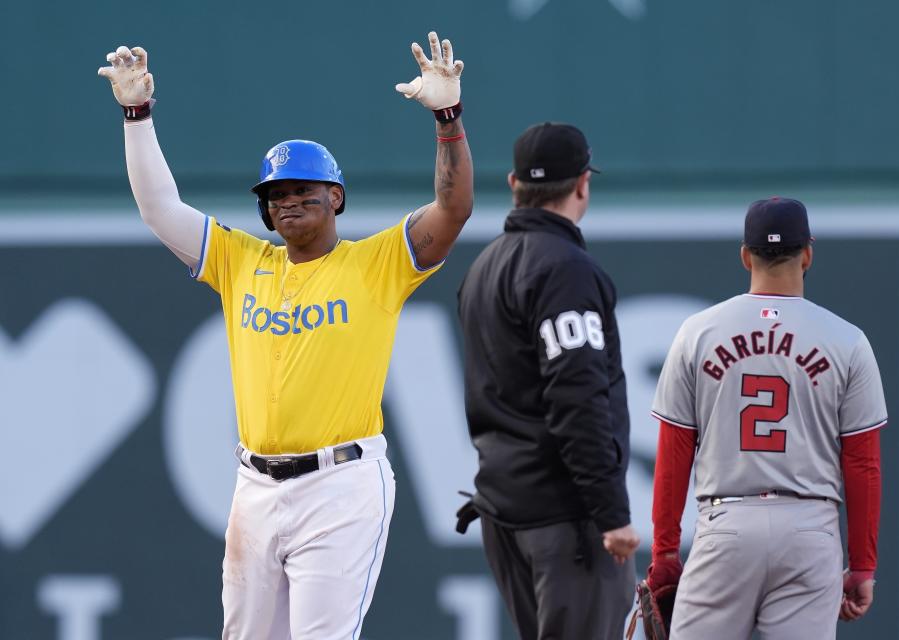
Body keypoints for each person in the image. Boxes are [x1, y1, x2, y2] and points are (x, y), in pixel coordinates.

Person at [97, 32, 472, 640]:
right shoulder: (241, 261)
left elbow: (452, 210)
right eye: (276, 195)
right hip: (255, 487)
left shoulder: (375, 264)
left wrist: (447, 120)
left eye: (303, 189)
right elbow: (159, 207)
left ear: (336, 197)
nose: (289, 201)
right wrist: (137, 117)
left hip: (341, 485)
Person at [647, 197, 885, 639]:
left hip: (726, 523)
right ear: (808, 254)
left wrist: (664, 554)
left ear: (745, 255)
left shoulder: (698, 332)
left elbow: (674, 451)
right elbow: (862, 463)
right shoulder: (848, 341)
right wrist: (863, 565)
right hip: (809, 528)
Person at [456, 122, 641, 640]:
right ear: (582, 183)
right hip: (564, 520)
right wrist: (610, 513)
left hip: (505, 512)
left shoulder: (483, 267)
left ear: (515, 184)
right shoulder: (566, 270)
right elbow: (576, 400)